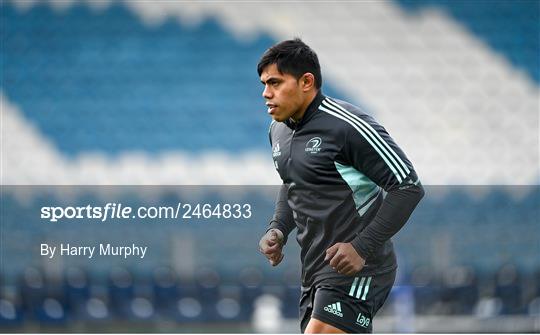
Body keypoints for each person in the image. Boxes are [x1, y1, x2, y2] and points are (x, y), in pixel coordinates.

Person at [257, 38, 425, 334]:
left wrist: (361, 247)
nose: (266, 93)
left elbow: (408, 187)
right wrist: (278, 228)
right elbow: (291, 184)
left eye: (275, 83)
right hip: (314, 272)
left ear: (306, 81)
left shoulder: (347, 126)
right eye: (264, 84)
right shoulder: (278, 131)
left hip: (361, 268)